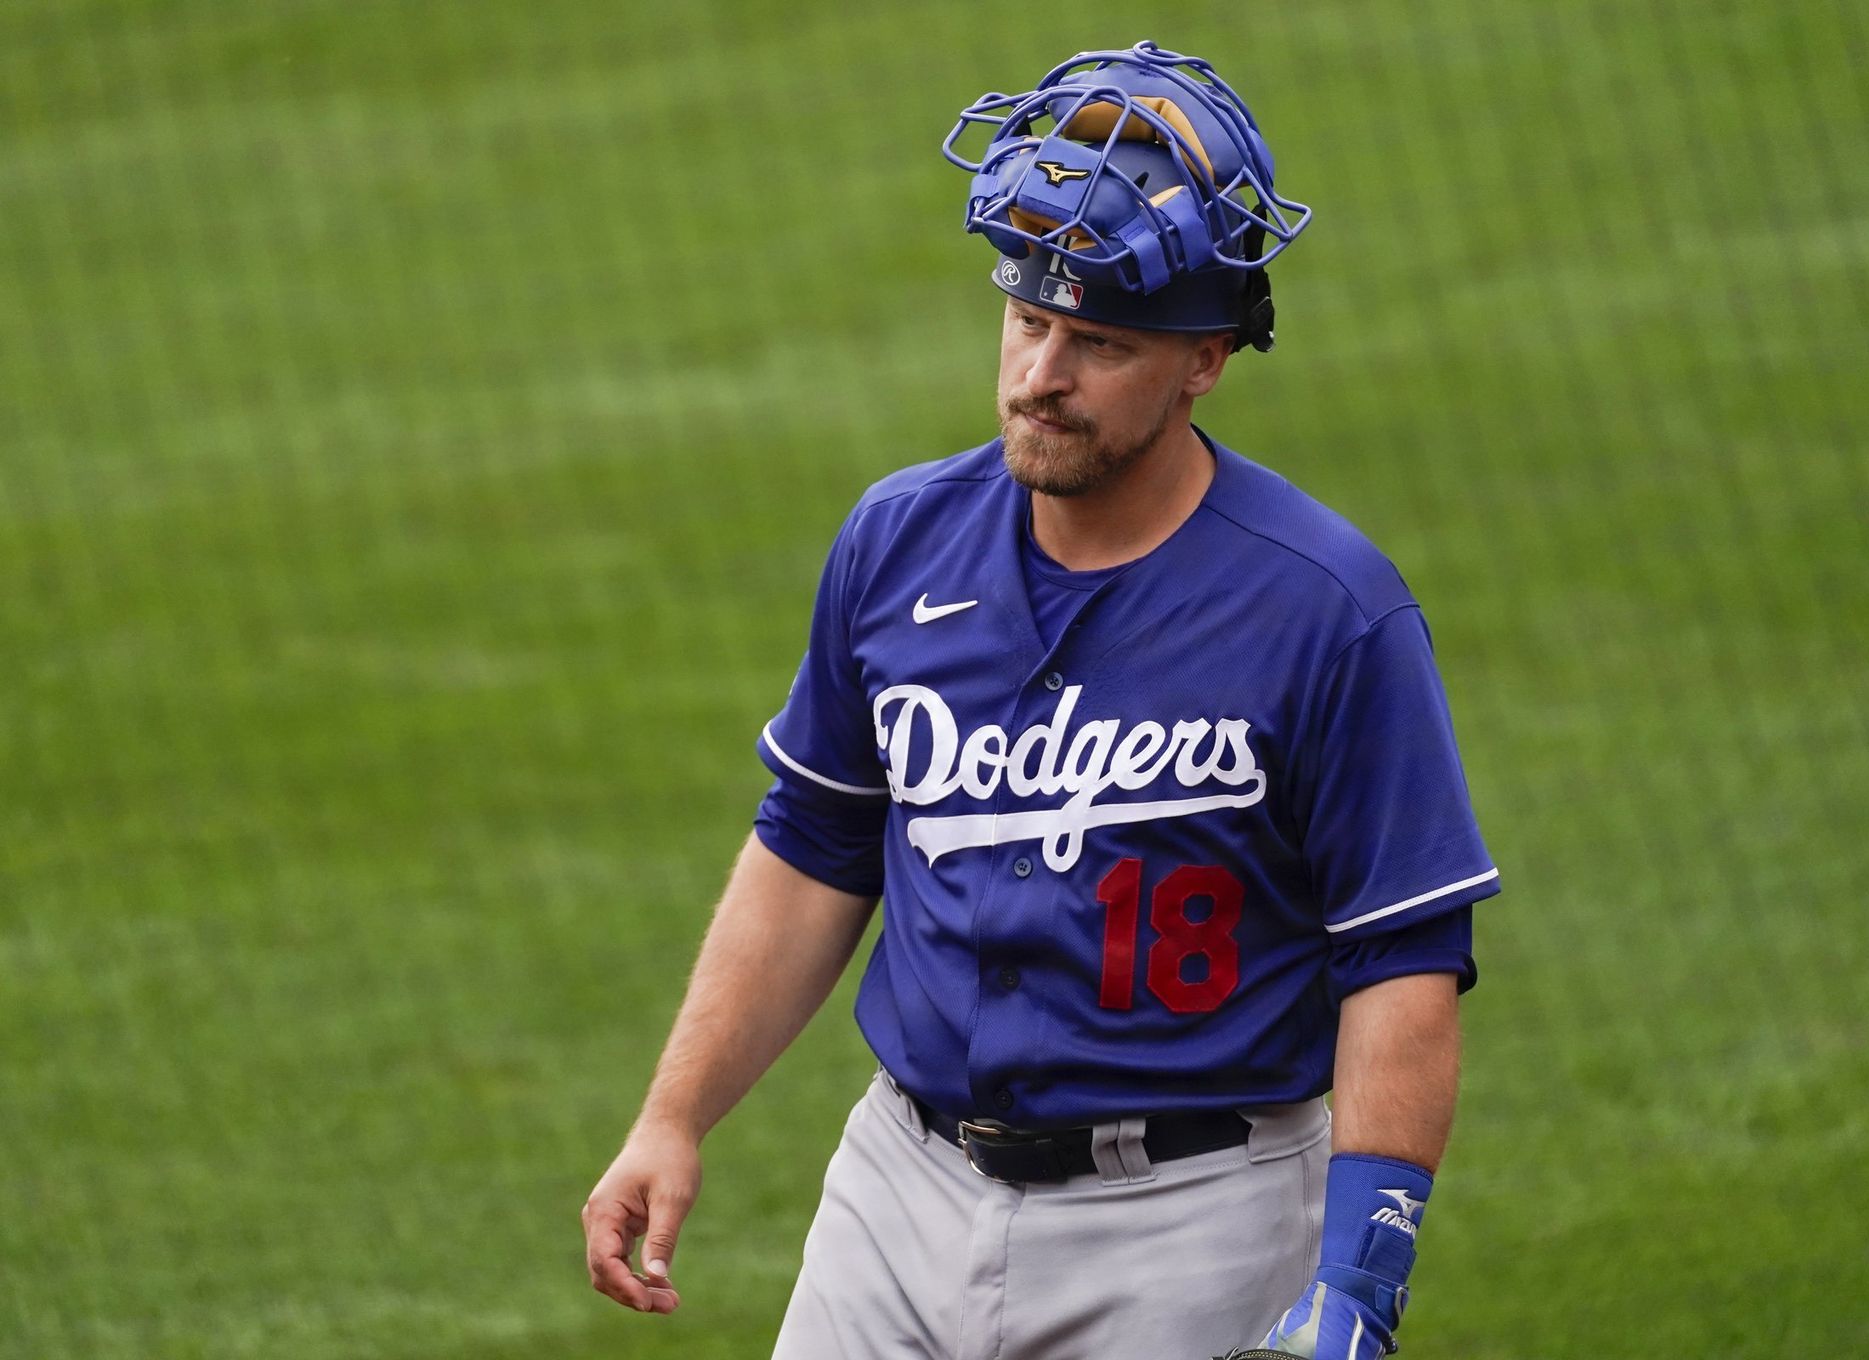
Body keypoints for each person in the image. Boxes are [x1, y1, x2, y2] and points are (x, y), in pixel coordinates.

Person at [581, 41, 1500, 1360]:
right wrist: (673, 1116)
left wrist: (1361, 1283)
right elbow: (814, 845)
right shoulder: (895, 544)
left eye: (1100, 342)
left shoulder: (1327, 612)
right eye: (1026, 320)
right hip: (899, 1190)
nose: (1037, 378)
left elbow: (1399, 957)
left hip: (1197, 1221)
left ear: (1205, 361)